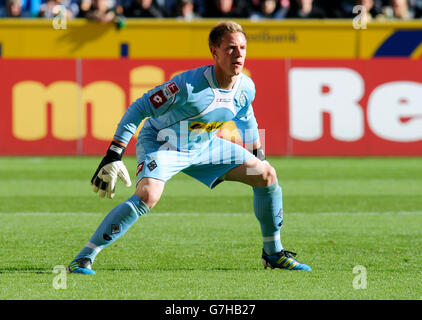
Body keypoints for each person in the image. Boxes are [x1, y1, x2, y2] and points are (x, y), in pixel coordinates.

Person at [67, 21, 311, 275]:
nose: (238, 54)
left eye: (242, 48)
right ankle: (83, 258)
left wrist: (258, 156)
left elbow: (247, 118)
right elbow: (139, 108)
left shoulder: (246, 86)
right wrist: (114, 153)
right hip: (165, 143)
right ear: (214, 51)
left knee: (266, 175)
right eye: (230, 49)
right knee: (148, 195)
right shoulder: (187, 85)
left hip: (205, 145)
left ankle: (273, 254)